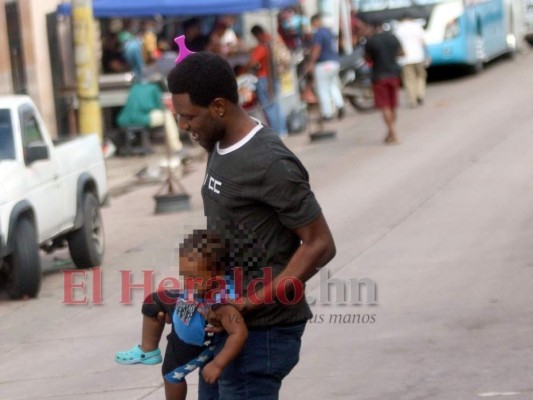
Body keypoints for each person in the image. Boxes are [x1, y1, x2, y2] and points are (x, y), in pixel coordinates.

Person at [167, 51, 336, 399]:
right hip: (225, 324)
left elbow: (320, 244)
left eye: (188, 117)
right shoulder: (218, 144)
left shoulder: (269, 162)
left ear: (217, 107)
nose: (184, 126)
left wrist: (250, 301)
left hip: (262, 332)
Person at [115, 229, 248, 400]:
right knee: (153, 301)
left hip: (194, 342)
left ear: (218, 277)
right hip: (184, 316)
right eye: (185, 275)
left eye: (194, 277)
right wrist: (173, 316)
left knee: (170, 374)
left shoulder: (222, 304)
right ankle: (148, 350)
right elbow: (187, 299)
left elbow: (239, 333)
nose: (188, 282)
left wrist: (218, 364)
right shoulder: (196, 289)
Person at [116, 78, 183, 154]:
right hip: (142, 118)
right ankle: (176, 146)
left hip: (124, 119)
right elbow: (159, 106)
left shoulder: (135, 87)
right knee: (167, 115)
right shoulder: (154, 88)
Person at [364, 22, 404, 144]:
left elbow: (367, 59)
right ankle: (391, 133)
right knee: (393, 105)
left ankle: (393, 133)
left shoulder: (370, 41)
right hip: (394, 74)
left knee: (385, 106)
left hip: (379, 76)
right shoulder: (392, 37)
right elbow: (402, 53)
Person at [248, 24, 289, 138]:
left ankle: (277, 131)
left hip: (265, 78)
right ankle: (282, 130)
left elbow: (252, 62)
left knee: (269, 106)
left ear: (257, 34)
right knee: (276, 104)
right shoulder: (273, 40)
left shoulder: (262, 46)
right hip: (275, 77)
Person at [307, 13, 345, 121]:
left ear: (315, 22)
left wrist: (311, 62)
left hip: (323, 64)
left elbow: (316, 48)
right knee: (332, 85)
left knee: (322, 88)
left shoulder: (319, 33)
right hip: (334, 62)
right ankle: (340, 104)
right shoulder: (328, 32)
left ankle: (327, 113)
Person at [394, 12, 430, 107]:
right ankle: (420, 94)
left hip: (405, 59)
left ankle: (412, 100)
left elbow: (396, 45)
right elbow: (423, 41)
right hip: (418, 56)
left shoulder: (398, 29)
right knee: (421, 76)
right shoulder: (416, 26)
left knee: (409, 79)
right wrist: (427, 55)